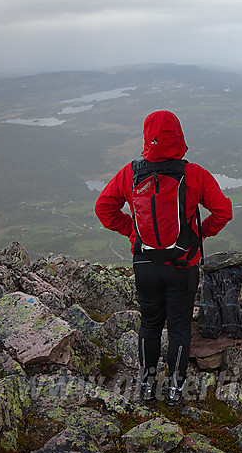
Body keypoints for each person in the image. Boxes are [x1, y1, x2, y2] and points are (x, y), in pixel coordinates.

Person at [95, 110, 233, 405]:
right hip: (183, 265)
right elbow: (223, 211)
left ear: (148, 137)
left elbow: (103, 208)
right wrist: (200, 234)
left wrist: (133, 232)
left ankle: (146, 386)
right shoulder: (194, 174)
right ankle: (175, 390)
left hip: (145, 264)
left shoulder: (130, 173)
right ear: (179, 135)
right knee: (179, 328)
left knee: (150, 324)